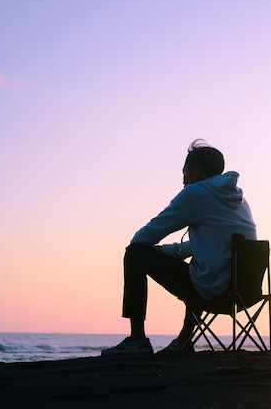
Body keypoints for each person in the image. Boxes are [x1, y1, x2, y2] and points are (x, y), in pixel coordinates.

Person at [102, 139, 257, 356]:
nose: (183, 178)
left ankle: (137, 339)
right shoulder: (239, 200)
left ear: (195, 170)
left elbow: (149, 233)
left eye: (184, 171)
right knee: (200, 264)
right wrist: (165, 251)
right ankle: (184, 339)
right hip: (244, 292)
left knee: (135, 254)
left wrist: (143, 244)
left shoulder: (196, 193)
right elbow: (211, 247)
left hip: (212, 290)